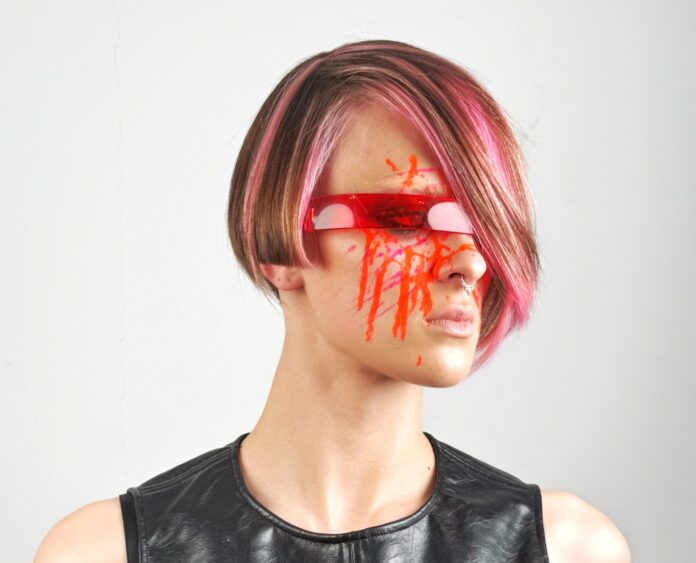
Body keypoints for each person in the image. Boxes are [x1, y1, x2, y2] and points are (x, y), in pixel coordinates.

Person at [35, 39, 631, 562]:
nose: (471, 262)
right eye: (406, 217)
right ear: (283, 241)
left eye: (484, 226)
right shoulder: (107, 553)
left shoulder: (566, 549)